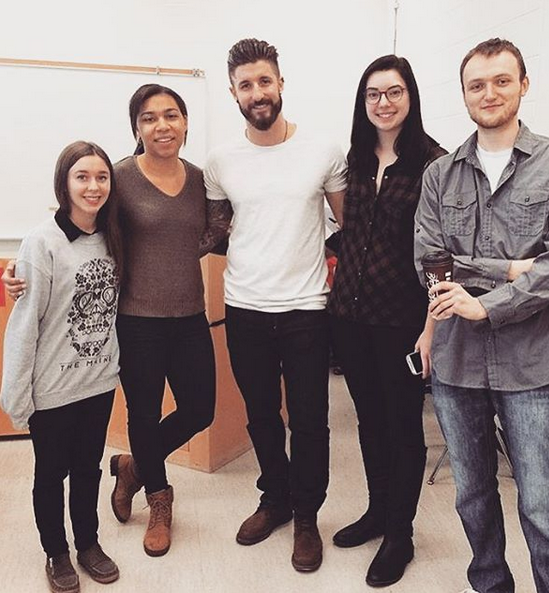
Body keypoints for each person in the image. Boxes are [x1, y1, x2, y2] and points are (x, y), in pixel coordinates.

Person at [3, 84, 220, 559]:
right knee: (143, 414)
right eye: (148, 118)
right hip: (136, 320)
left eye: (171, 115)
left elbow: (214, 233)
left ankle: (133, 465)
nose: (161, 126)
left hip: (189, 314)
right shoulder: (118, 178)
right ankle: (159, 498)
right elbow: (81, 226)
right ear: (136, 127)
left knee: (200, 410)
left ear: (186, 123)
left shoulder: (201, 178)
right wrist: (19, 269)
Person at [414, 38, 549, 593]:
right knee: (472, 494)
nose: (488, 93)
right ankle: (491, 584)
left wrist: (483, 301)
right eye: (476, 84)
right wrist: (514, 268)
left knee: (542, 501)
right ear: (464, 93)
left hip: (533, 365)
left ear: (523, 84)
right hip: (456, 363)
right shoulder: (440, 175)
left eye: (501, 81)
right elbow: (429, 258)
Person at [203, 38, 346, 572]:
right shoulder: (219, 162)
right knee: (261, 416)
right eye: (246, 85)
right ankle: (275, 499)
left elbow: (349, 228)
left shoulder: (323, 151)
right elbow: (216, 232)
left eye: (265, 81)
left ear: (281, 83)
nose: (257, 93)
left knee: (310, 419)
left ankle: (307, 515)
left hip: (308, 307)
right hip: (244, 306)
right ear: (234, 93)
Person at [327, 55, 445, 587]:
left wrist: (431, 328)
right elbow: (347, 233)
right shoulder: (353, 160)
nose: (383, 102)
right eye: (373, 94)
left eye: (394, 92)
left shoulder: (433, 163)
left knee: (403, 428)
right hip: (350, 317)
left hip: (402, 319)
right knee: (369, 422)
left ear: (410, 97)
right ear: (363, 101)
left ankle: (401, 532)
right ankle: (378, 511)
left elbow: (443, 254)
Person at [1, 141, 122, 593]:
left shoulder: (114, 234)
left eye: (102, 177)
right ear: (64, 182)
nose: (93, 186)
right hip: (52, 387)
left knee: (89, 468)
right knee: (51, 473)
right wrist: (16, 393)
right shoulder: (41, 242)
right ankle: (56, 551)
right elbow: (24, 324)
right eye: (82, 177)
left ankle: (88, 542)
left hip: (98, 381)